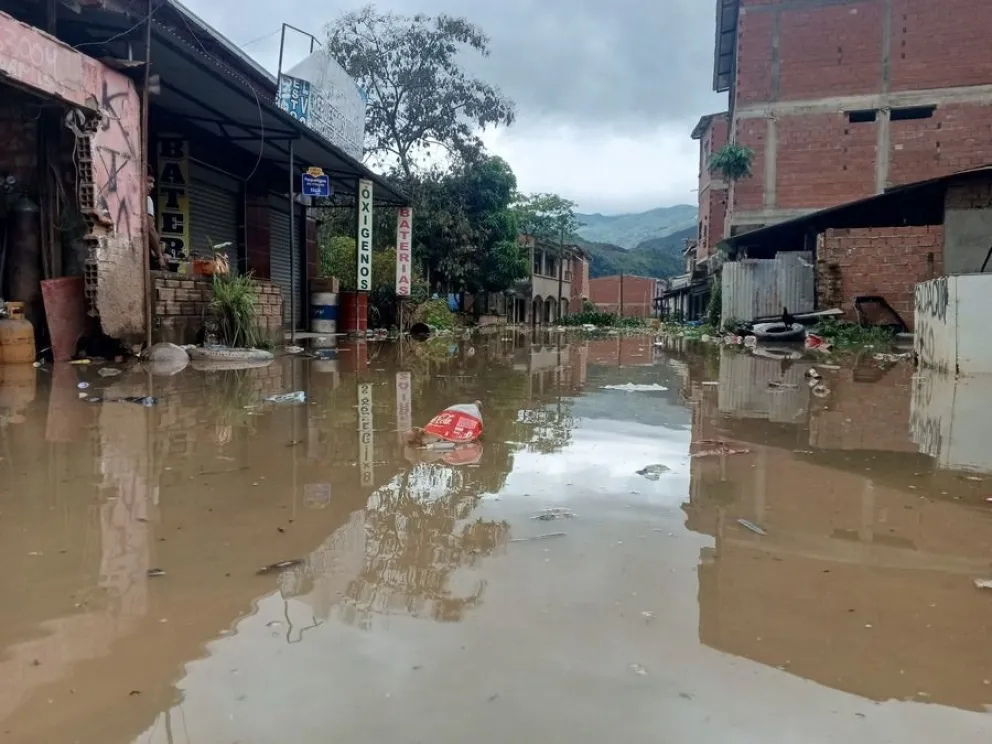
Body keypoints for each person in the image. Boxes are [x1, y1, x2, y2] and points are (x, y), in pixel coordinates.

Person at [146, 172, 167, 270]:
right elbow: (150, 229)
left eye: (153, 182)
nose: (152, 186)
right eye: (149, 181)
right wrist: (160, 256)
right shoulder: (147, 199)